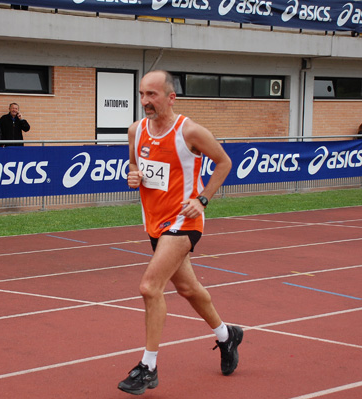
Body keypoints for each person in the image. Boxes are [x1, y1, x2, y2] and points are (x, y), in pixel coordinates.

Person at [118, 70, 241, 396]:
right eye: (142, 94)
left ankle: (148, 367)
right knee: (188, 289)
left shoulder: (190, 131)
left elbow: (224, 162)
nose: (145, 101)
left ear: (170, 97)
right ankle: (227, 335)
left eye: (152, 95)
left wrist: (202, 199)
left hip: (184, 222)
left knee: (149, 287)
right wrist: (133, 176)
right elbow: (135, 168)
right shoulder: (136, 131)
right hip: (155, 224)